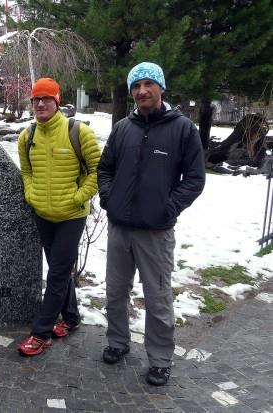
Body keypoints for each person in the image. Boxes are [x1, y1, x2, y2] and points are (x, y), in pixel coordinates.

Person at [97, 62, 205, 385]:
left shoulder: (183, 129)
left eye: (148, 84)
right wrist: (108, 198)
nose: (141, 91)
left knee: (157, 298)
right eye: (135, 86)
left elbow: (195, 179)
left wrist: (168, 208)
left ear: (161, 87)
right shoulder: (122, 129)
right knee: (115, 291)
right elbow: (105, 169)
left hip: (156, 233)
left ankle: (159, 359)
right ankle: (117, 341)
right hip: (120, 229)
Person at [17, 78, 101, 356]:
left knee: (56, 274)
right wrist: (31, 194)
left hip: (71, 216)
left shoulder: (79, 132)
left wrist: (78, 197)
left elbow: (99, 171)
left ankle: (41, 333)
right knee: (60, 270)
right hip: (43, 214)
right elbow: (27, 171)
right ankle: (72, 318)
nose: (40, 104)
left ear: (57, 102)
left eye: (46, 99)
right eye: (35, 100)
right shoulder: (27, 136)